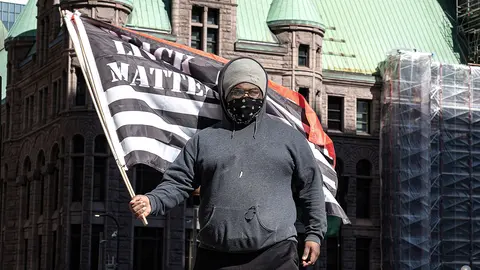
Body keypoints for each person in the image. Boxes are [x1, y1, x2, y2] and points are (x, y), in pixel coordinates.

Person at [129, 57, 327, 269]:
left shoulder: (290, 138)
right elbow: (177, 182)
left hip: (276, 254)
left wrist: (314, 234)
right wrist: (152, 201)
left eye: (253, 93)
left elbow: (311, 188)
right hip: (214, 256)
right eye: (237, 92)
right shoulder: (203, 140)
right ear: (225, 95)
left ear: (263, 95)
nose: (245, 98)